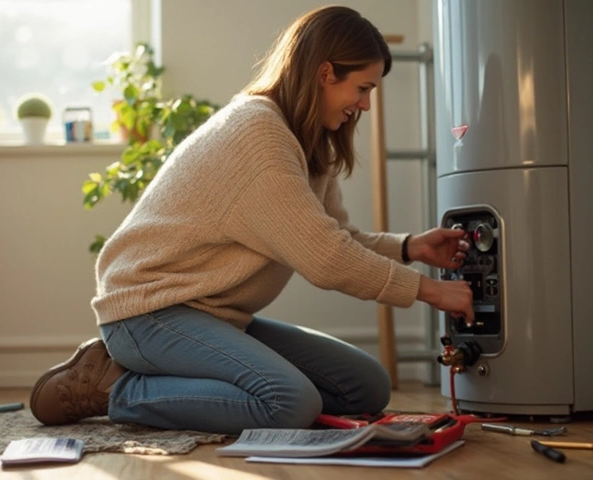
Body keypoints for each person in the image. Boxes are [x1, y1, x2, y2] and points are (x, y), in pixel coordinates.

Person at [30, 5, 473, 435]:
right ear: (325, 74)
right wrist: (431, 292)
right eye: (362, 88)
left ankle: (183, 383)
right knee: (290, 403)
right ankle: (113, 388)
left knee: (365, 387)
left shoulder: (306, 141)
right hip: (148, 312)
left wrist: (409, 246)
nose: (366, 105)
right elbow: (325, 259)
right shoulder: (259, 135)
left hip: (216, 315)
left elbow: (335, 236)